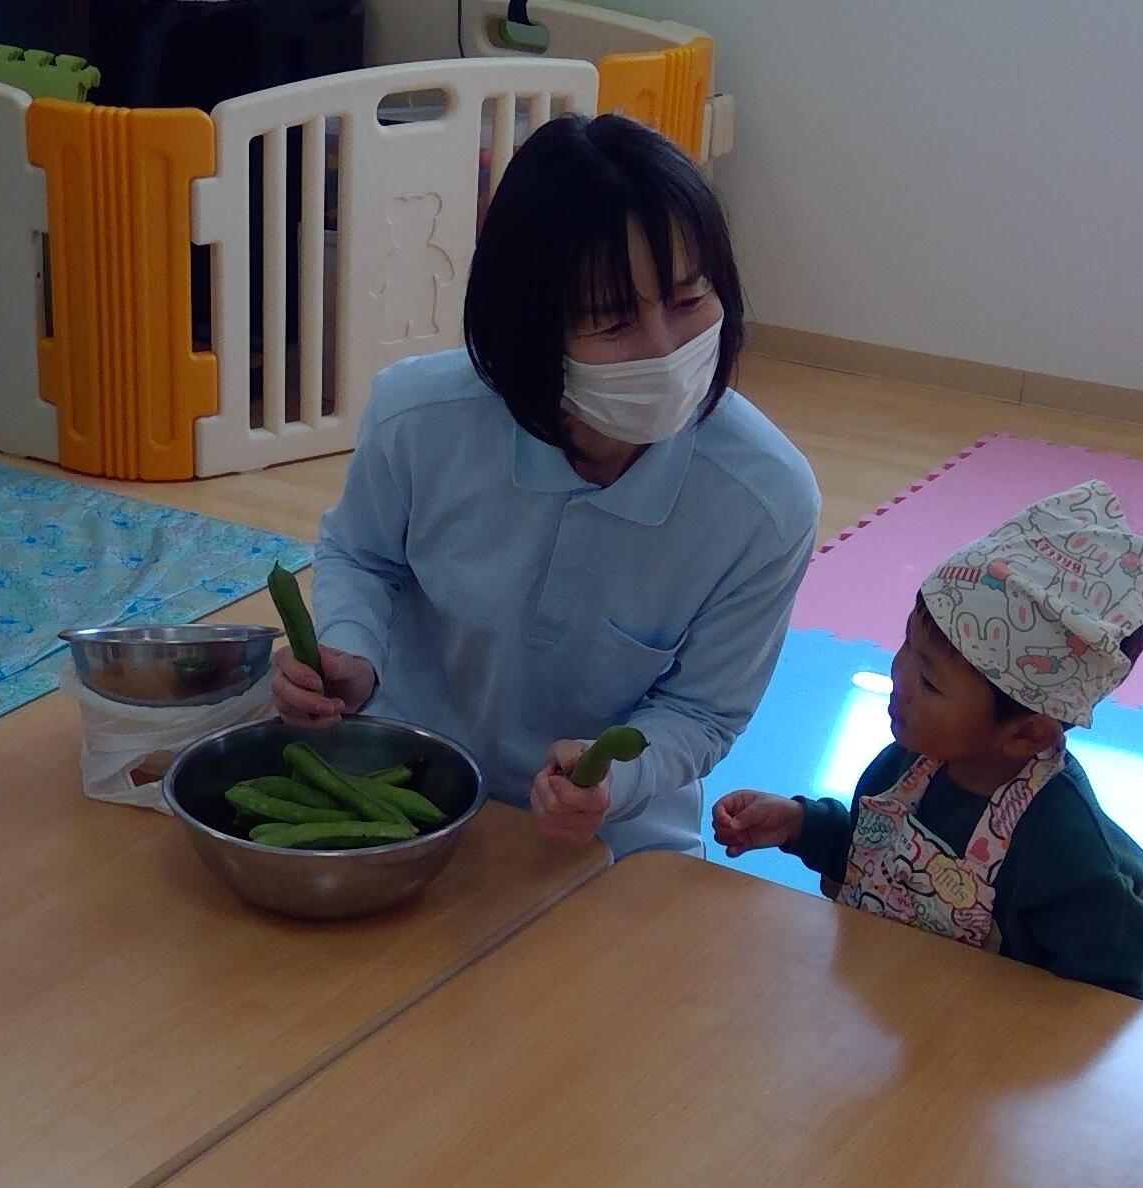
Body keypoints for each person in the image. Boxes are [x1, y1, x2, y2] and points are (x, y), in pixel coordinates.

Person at [280, 113, 819, 855]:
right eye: (615, 322)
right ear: (529, 330)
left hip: (614, 830)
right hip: (398, 774)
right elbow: (360, 555)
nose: (666, 349)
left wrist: (612, 785)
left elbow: (703, 713)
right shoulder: (418, 417)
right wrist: (348, 650)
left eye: (689, 302)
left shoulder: (766, 502)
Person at [713, 482, 1143, 1000]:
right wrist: (803, 826)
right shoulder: (906, 766)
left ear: (1025, 732)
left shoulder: (1063, 848)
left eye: (929, 682)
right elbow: (876, 861)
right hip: (875, 1012)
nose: (899, 676)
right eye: (906, 645)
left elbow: (1109, 1002)